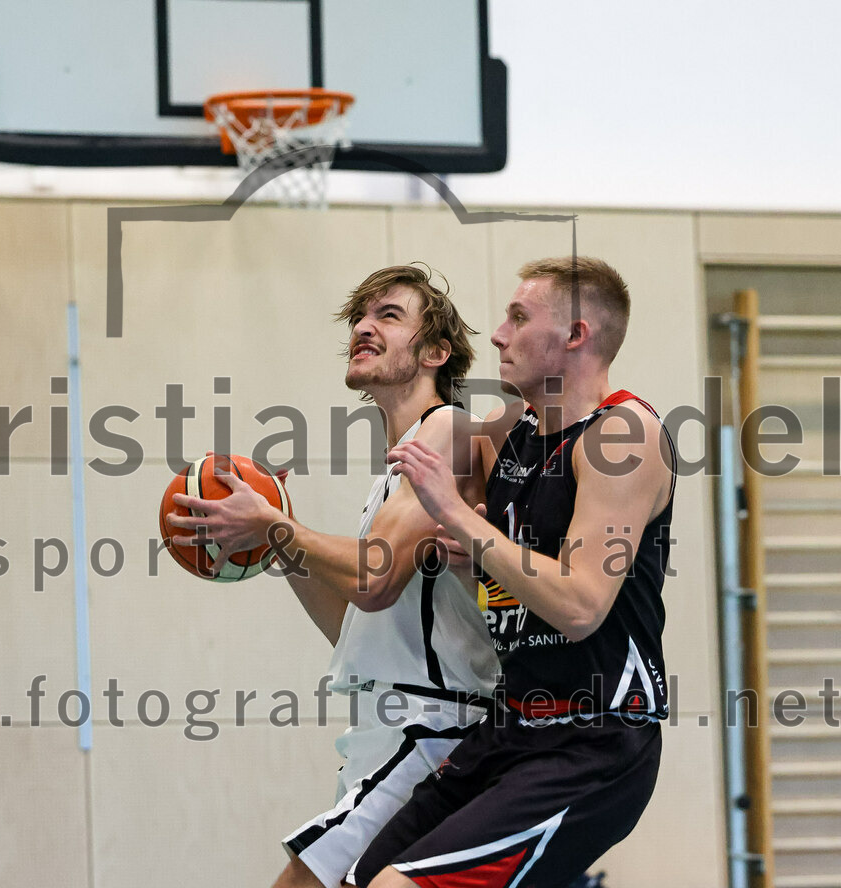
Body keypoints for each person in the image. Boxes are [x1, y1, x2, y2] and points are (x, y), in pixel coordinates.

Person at [167, 265, 500, 888]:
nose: (364, 327)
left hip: (433, 728)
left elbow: (371, 579)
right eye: (360, 317)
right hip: (389, 728)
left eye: (388, 315)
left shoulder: (448, 431)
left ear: (435, 351)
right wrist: (282, 543)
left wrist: (274, 527)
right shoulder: (397, 476)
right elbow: (357, 620)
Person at [355, 256, 677, 888]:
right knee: (360, 878)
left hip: (594, 740)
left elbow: (581, 605)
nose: (498, 334)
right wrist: (476, 553)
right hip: (515, 729)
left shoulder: (623, 434)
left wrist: (457, 513)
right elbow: (521, 568)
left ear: (576, 335)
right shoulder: (516, 434)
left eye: (519, 316)